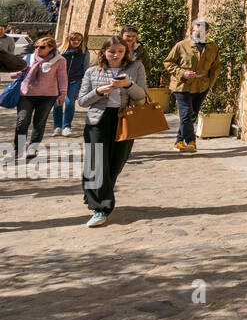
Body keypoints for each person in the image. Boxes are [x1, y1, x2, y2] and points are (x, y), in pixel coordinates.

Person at [78, 35, 147, 227]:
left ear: (126, 52)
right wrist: (100, 91)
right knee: (96, 162)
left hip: (125, 119)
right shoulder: (92, 71)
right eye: (111, 51)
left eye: (120, 51)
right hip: (98, 120)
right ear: (104, 52)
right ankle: (101, 208)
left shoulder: (136, 68)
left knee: (115, 163)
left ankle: (94, 191)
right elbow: (82, 101)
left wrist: (129, 85)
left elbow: (142, 97)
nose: (115, 55)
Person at [164, 19, 220, 152]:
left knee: (192, 115)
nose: (197, 33)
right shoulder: (182, 45)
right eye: (194, 31)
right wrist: (182, 73)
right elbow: (168, 62)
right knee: (185, 114)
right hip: (182, 86)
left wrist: (209, 84)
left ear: (207, 32)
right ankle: (191, 142)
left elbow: (215, 67)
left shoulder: (212, 47)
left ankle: (179, 141)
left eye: (200, 31)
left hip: (202, 86)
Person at [12, 35, 67, 160]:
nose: (38, 49)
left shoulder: (59, 60)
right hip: (26, 94)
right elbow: (13, 74)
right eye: (36, 46)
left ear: (51, 48)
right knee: (22, 121)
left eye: (42, 47)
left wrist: (63, 93)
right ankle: (18, 149)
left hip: (48, 96)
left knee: (39, 123)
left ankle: (33, 148)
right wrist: (18, 73)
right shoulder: (28, 58)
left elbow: (62, 78)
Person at [53, 32, 88, 136]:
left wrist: (83, 84)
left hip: (75, 81)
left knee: (69, 103)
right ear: (69, 40)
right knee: (58, 103)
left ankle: (67, 126)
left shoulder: (84, 52)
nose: (76, 42)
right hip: (59, 81)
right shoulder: (60, 51)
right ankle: (57, 126)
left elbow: (85, 68)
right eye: (74, 39)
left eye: (79, 40)